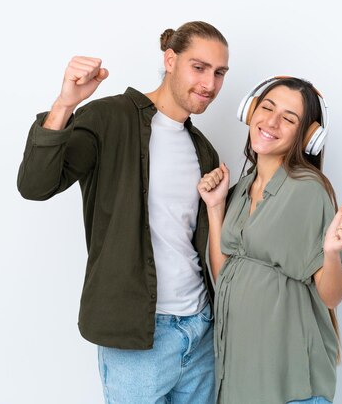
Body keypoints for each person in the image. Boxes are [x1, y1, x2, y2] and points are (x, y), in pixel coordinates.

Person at [17, 21, 229, 404]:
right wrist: (65, 103)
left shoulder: (204, 150)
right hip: (137, 337)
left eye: (219, 73)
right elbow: (35, 185)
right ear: (170, 60)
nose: (210, 84)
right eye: (199, 68)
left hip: (199, 328)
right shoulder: (109, 118)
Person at [197, 76, 342, 404]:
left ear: (308, 137)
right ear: (250, 111)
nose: (271, 121)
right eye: (266, 108)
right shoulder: (240, 189)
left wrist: (330, 253)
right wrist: (216, 208)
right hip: (239, 384)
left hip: (291, 389)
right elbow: (224, 276)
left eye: (288, 118)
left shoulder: (309, 191)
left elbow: (331, 297)